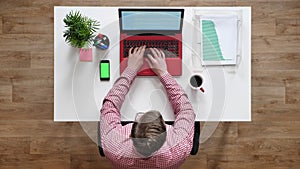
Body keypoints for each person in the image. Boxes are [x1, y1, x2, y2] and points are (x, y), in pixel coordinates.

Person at [100, 45, 195, 169]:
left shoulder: (114, 149)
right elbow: (186, 109)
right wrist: (163, 72)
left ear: (129, 134)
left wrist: (131, 69)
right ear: (166, 135)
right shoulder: (178, 149)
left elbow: (109, 105)